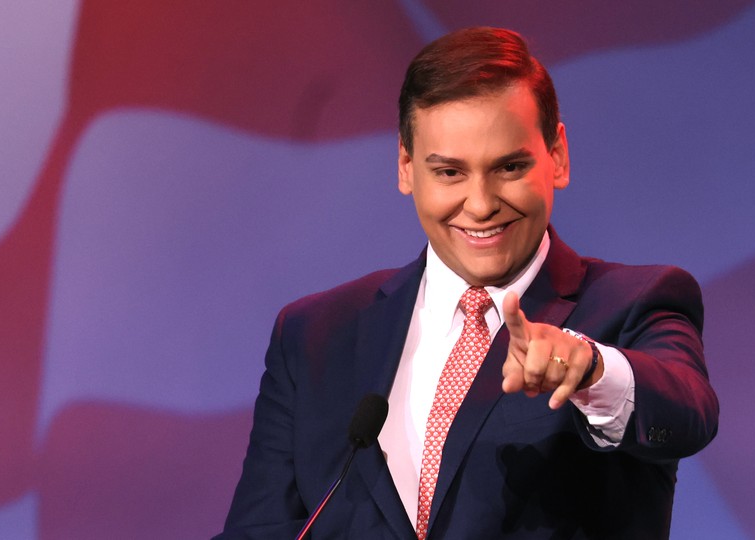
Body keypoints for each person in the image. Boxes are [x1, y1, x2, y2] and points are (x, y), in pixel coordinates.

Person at [216, 26, 718, 539]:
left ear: (557, 155)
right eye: (450, 173)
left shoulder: (634, 302)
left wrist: (587, 367)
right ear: (407, 167)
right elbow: (258, 528)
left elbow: (686, 412)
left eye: (509, 166)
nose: (480, 205)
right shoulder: (313, 333)